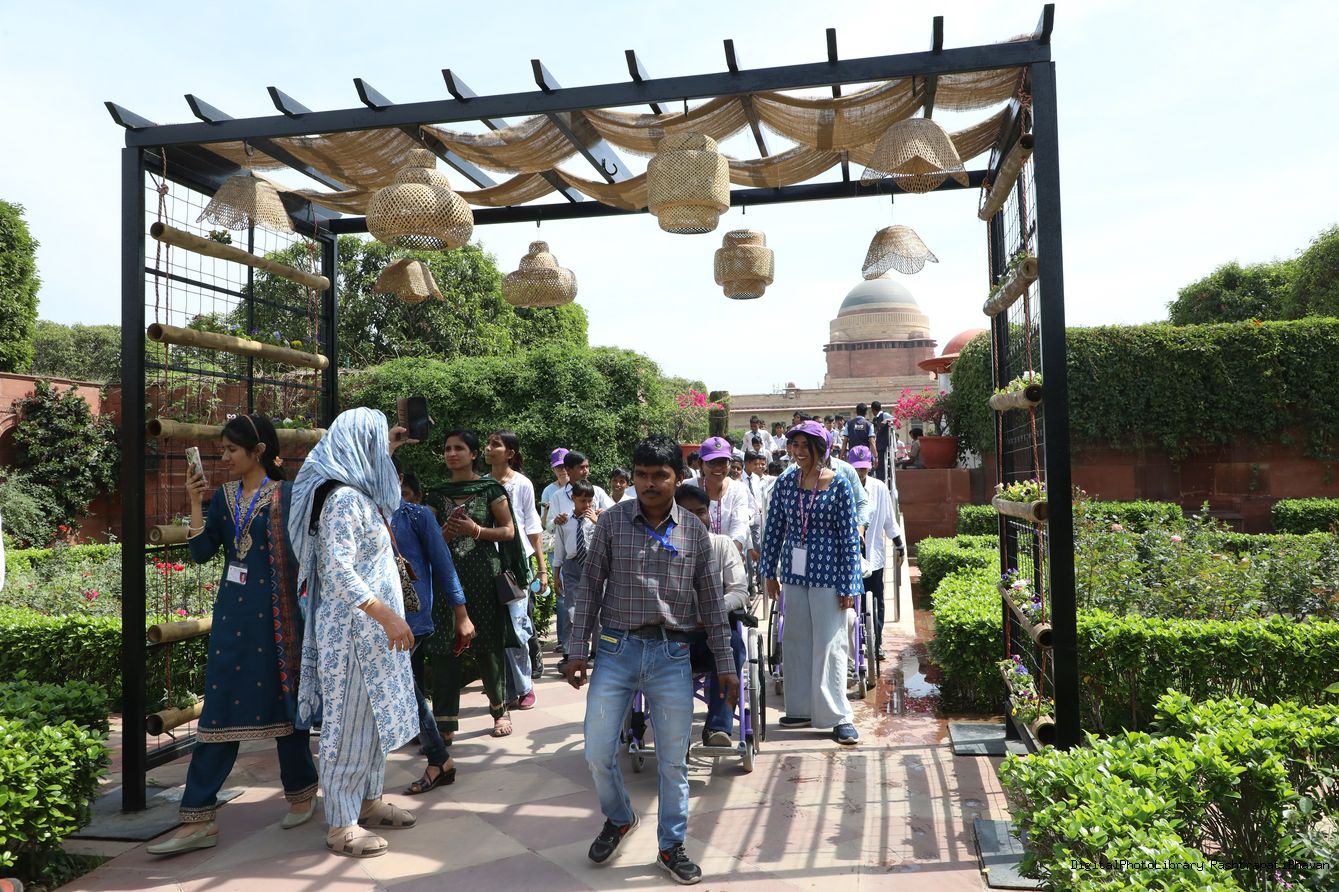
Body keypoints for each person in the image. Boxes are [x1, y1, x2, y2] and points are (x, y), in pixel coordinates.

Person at [563, 436, 738, 886]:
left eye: (660, 475)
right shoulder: (612, 522)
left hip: (672, 654)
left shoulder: (693, 531)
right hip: (616, 651)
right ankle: (620, 817)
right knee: (597, 751)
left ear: (678, 478)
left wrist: (725, 662)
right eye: (641, 475)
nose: (649, 484)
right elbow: (590, 588)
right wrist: (577, 649)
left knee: (673, 761)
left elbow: (712, 603)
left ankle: (670, 846)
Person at [147, 415, 318, 856]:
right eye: (222, 449)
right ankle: (198, 818)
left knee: (285, 703)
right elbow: (202, 552)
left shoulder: (288, 494)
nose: (223, 457)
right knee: (219, 711)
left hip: (278, 620)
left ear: (258, 451)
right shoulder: (223, 497)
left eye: (231, 450)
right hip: (233, 620)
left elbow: (307, 553)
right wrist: (195, 502)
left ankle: (302, 793)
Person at [289, 407, 419, 858]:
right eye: (377, 441)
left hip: (373, 634)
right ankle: (341, 824)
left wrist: (391, 445)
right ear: (361, 446)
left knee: (375, 721)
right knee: (348, 726)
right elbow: (338, 571)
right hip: (354, 636)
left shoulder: (362, 495)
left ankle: (368, 801)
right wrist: (387, 616)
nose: (382, 450)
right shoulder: (343, 499)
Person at [760, 419, 864, 746]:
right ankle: (801, 708)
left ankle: (838, 716)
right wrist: (768, 572)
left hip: (830, 574)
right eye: (795, 445)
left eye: (806, 446)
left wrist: (849, 584)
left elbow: (849, 538)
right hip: (794, 573)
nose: (799, 451)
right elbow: (774, 528)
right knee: (795, 639)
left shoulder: (839, 483)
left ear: (822, 448)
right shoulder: (785, 481)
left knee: (830, 643)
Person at [428, 430, 529, 739]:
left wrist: (477, 531)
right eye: (447, 448)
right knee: (444, 649)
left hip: (484, 577)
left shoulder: (490, 490)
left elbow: (509, 531)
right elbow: (428, 540)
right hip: (447, 580)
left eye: (459, 448)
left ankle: (499, 711)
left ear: (473, 454)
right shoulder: (436, 494)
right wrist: (444, 534)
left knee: (489, 648)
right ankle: (445, 723)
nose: (451, 453)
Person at [391, 456, 473, 796]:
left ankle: (439, 759)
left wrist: (461, 614)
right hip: (376, 621)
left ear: (397, 477)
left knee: (404, 687)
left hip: (412, 619)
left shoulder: (416, 515)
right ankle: (440, 760)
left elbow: (443, 564)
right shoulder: (362, 514)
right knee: (405, 688)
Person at [677, 484, 749, 748]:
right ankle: (674, 728)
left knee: (732, 645)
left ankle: (719, 727)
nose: (697, 519)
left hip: (714, 634)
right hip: (675, 635)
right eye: (688, 514)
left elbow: (739, 592)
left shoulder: (722, 544)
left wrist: (712, 609)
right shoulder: (662, 548)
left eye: (701, 512)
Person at [485, 430, 546, 706]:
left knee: (517, 625)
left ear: (510, 453)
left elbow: (532, 527)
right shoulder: (482, 484)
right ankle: (505, 688)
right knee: (494, 628)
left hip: (517, 565)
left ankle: (524, 686)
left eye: (495, 445)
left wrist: (542, 569)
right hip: (489, 562)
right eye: (487, 444)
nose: (488, 449)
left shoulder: (522, 484)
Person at [848, 446, 904, 661]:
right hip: (849, 557)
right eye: (856, 469)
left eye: (863, 468)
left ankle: (876, 642)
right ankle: (856, 644)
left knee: (876, 601)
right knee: (853, 604)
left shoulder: (879, 488)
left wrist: (899, 545)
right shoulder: (842, 486)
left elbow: (889, 520)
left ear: (870, 467)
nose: (860, 473)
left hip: (873, 556)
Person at [551, 479, 597, 662]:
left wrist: (597, 522)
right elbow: (559, 549)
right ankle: (570, 651)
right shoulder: (564, 521)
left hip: (594, 566)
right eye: (582, 500)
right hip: (572, 566)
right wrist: (556, 575)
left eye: (589, 501)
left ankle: (597, 652)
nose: (586, 505)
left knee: (597, 610)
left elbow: (607, 542)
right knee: (571, 609)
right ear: (573, 498)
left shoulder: (597, 520)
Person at [695, 437, 751, 555]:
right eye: (712, 462)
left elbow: (740, 525)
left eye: (723, 462)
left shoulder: (738, 489)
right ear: (700, 463)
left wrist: (731, 555)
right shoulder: (689, 487)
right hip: (696, 556)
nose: (718, 468)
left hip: (729, 555)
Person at [550, 451, 615, 526]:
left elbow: (616, 513)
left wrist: (605, 514)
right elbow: (548, 525)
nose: (586, 471)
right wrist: (555, 521)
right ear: (568, 470)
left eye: (587, 467)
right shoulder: (558, 496)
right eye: (581, 467)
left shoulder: (597, 491)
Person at [540, 448, 569, 531]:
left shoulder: (580, 487)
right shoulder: (548, 491)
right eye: (559, 467)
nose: (563, 470)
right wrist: (546, 511)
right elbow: (544, 524)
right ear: (553, 469)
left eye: (565, 466)